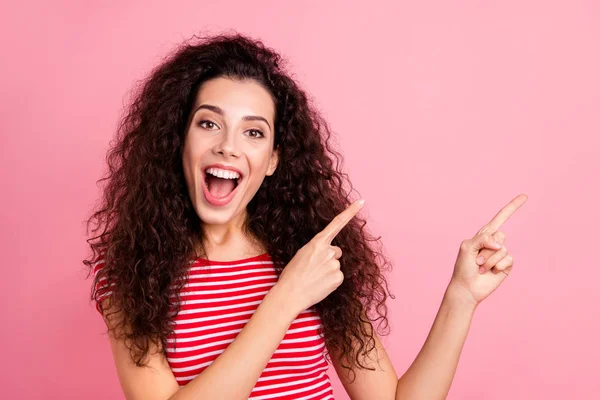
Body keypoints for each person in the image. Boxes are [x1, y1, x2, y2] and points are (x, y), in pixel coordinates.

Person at [84, 32, 527, 400]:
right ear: (177, 140)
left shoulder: (311, 255)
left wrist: (461, 298)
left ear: (273, 159)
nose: (228, 146)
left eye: (253, 132)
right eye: (208, 123)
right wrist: (286, 298)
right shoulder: (129, 272)